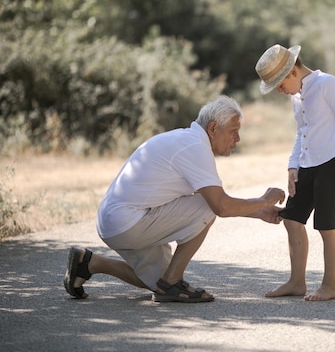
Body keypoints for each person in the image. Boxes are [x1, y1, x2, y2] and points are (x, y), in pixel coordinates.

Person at [64, 95, 285, 303]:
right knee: (204, 212)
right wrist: (264, 200)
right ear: (213, 128)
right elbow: (219, 206)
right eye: (234, 131)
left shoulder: (186, 140)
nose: (237, 139)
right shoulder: (196, 148)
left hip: (115, 221)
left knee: (154, 280)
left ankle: (90, 263)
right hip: (127, 222)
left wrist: (258, 212)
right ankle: (173, 283)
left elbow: (211, 198)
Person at [255, 44, 335, 301]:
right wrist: (293, 166)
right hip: (307, 165)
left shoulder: (328, 84)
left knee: (326, 225)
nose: (280, 90)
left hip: (333, 163)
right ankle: (296, 281)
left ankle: (329, 285)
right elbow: (301, 133)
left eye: (280, 84)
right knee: (291, 219)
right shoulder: (296, 97)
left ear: (292, 71)